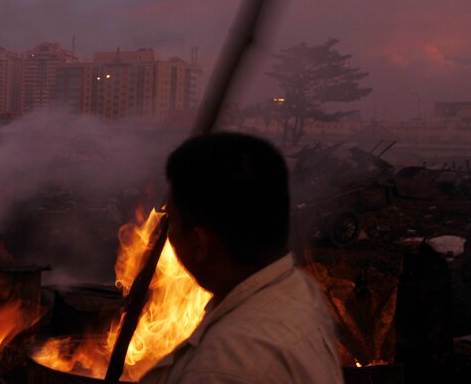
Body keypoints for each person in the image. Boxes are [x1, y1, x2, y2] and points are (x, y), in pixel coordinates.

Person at [140, 133, 343, 384]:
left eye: (170, 222)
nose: (167, 233)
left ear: (199, 243)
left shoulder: (219, 370)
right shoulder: (298, 291)